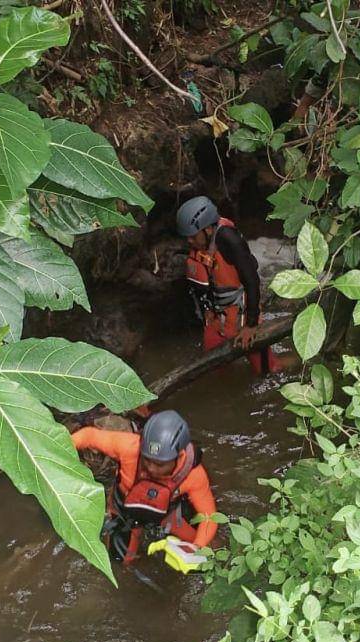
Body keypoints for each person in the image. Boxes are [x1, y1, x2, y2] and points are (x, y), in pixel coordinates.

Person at [72, 410, 217, 568]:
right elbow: (89, 436)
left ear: (179, 456)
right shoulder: (129, 447)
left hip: (166, 514)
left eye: (160, 464)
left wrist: (197, 546)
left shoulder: (193, 475)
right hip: (125, 511)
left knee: (207, 550)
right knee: (121, 562)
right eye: (147, 460)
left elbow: (209, 516)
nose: (152, 468)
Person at [176, 196, 279, 373]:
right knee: (213, 371)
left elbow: (252, 281)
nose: (189, 242)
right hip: (217, 320)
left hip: (241, 317)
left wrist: (251, 325)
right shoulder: (200, 244)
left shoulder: (229, 240)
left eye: (193, 237)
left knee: (270, 371)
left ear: (208, 230)